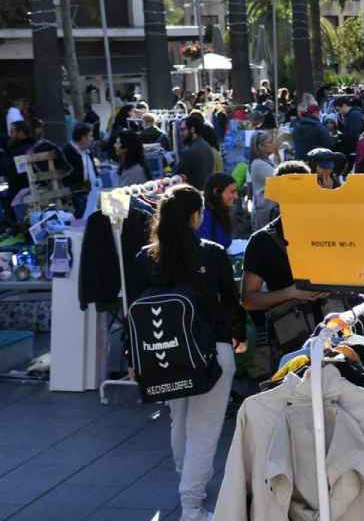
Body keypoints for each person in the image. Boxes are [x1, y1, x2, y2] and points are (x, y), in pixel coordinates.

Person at [126, 184, 244, 521]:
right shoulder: (212, 254)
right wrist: (239, 336)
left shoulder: (145, 257)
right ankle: (192, 507)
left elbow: (132, 308)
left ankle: (187, 488)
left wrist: (134, 359)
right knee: (204, 430)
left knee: (179, 423)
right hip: (212, 353)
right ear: (196, 216)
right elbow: (229, 305)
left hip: (162, 354)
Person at [241, 162, 329, 374]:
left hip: (334, 332)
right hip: (290, 343)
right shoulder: (262, 241)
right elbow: (248, 300)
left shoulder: (328, 227)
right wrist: (291, 293)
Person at [62, 122, 101, 218]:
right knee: (80, 221)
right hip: (77, 194)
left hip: (91, 192)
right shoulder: (68, 151)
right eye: (90, 136)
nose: (92, 139)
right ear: (83, 138)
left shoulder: (87, 150)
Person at [247, 131, 277, 230]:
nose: (273, 144)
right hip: (265, 212)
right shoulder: (258, 164)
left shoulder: (267, 160)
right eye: (270, 142)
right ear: (260, 146)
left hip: (269, 209)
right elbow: (278, 180)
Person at [175, 115, 215, 190]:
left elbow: (178, 177)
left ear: (192, 129)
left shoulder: (189, 151)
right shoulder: (207, 146)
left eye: (183, 130)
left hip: (192, 194)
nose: (181, 134)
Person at [199, 172, 238, 248]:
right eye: (232, 192)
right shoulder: (204, 215)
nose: (236, 196)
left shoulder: (222, 211)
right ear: (216, 192)